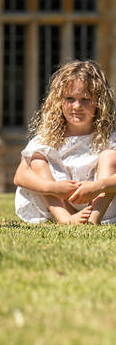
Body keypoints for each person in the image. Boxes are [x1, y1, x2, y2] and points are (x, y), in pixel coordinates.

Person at [14, 60, 116, 226]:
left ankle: (93, 218)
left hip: (99, 200)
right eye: (70, 98)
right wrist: (50, 187)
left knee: (111, 156)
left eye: (85, 99)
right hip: (59, 200)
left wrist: (98, 186)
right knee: (38, 158)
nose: (77, 106)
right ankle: (65, 218)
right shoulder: (47, 138)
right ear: (59, 101)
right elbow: (20, 176)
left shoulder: (109, 137)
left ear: (99, 102)